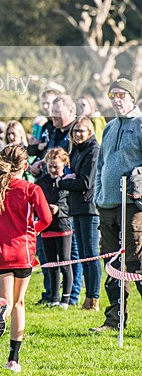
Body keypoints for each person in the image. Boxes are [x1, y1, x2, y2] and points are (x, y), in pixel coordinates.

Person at [0, 146, 52, 372]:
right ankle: (13, 359)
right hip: (23, 252)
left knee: (4, 300)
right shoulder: (31, 189)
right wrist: (32, 230)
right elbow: (46, 218)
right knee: (19, 303)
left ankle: (1, 309)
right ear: (25, 166)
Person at [91, 78, 142, 332]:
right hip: (107, 206)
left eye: (121, 95)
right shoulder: (109, 127)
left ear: (132, 97)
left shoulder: (140, 125)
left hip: (133, 206)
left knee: (136, 263)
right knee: (112, 266)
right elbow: (101, 165)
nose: (117, 100)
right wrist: (98, 195)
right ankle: (114, 320)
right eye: (113, 96)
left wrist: (138, 176)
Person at [58, 117, 101, 311]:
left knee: (91, 255)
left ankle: (94, 298)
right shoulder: (75, 149)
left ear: (90, 131)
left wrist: (62, 182)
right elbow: (72, 173)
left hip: (89, 208)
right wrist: (69, 177)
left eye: (81, 130)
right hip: (76, 206)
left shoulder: (93, 150)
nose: (78, 134)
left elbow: (85, 182)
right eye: (75, 131)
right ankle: (88, 296)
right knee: (83, 255)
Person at [36, 148, 73, 308]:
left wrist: (59, 210)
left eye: (56, 167)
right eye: (50, 166)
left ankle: (66, 299)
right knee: (51, 264)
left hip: (63, 226)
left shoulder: (68, 181)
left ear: (64, 164)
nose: (52, 170)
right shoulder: (41, 183)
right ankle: (54, 298)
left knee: (65, 262)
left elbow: (71, 205)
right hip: (46, 227)